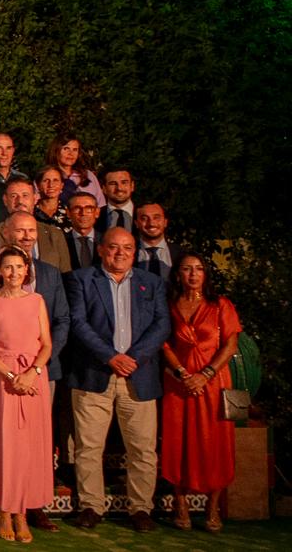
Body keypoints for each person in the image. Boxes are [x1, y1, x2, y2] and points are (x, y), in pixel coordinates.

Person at [65, 228, 170, 532]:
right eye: (113, 247)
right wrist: (110, 356)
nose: (120, 253)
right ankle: (91, 506)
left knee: (142, 449)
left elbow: (162, 324)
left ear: (135, 252)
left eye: (127, 248)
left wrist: (133, 358)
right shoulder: (81, 279)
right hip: (94, 374)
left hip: (139, 376)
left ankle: (141, 509)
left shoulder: (152, 283)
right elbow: (77, 322)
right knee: (89, 447)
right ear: (101, 249)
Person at [0, 245, 54, 542]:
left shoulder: (36, 301)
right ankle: (4, 511)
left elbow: (46, 344)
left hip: (33, 380)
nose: (14, 273)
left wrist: (31, 373)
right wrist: (11, 376)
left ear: (26, 270)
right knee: (3, 445)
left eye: (19, 267)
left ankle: (23, 512)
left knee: (29, 447)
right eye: (8, 267)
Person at [161, 253, 241, 533]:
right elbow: (164, 344)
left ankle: (212, 507)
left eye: (199, 269)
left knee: (215, 443)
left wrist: (205, 375)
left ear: (206, 274)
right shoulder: (170, 305)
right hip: (179, 383)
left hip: (213, 382)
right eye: (187, 269)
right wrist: (183, 373)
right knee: (177, 442)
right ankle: (180, 504)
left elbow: (230, 345)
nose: (193, 274)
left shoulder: (220, 305)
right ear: (178, 274)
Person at [0, 176, 73, 273]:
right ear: (5, 200)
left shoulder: (54, 235)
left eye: (25, 195)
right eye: (14, 196)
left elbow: (66, 275)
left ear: (35, 198)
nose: (20, 201)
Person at [49, 135, 104, 207]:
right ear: (56, 150)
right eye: (66, 148)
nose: (71, 153)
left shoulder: (89, 175)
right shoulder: (46, 176)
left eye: (75, 150)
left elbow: (101, 205)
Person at [133, 203, 175, 280]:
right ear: (136, 223)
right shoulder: (127, 253)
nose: (151, 223)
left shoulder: (181, 254)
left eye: (156, 218)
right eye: (144, 219)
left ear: (165, 222)